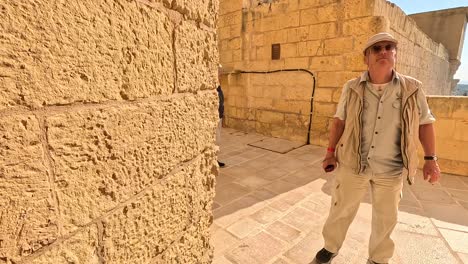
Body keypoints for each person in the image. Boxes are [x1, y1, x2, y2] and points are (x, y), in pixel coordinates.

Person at [314, 32, 441, 264]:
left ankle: (378, 259)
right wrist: (330, 153)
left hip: (390, 169)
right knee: (340, 209)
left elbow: (425, 122)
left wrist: (431, 159)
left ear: (395, 54)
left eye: (389, 47)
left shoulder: (412, 88)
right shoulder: (351, 87)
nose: (383, 51)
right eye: (376, 48)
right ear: (366, 57)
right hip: (354, 163)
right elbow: (339, 121)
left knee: (386, 218)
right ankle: (330, 248)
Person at [217, 67, 225, 168]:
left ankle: (216, 159)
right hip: (215, 117)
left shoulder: (218, 87)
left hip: (219, 116)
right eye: (219, 72)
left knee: (217, 140)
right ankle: (214, 160)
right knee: (216, 139)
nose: (220, 74)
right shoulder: (214, 87)